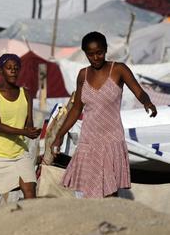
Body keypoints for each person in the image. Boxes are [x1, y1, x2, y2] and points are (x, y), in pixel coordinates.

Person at [53, 32, 157, 198]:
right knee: (87, 190)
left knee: (110, 192)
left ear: (106, 50)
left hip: (111, 139)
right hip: (89, 140)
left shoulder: (119, 69)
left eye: (99, 52)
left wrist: (147, 102)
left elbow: (139, 91)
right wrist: (59, 136)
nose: (96, 57)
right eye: (91, 54)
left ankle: (111, 222)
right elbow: (76, 108)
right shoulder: (83, 75)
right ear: (85, 53)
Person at [0, 54, 42, 214]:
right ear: (1, 71)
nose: (13, 72)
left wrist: (33, 131)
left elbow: (28, 123)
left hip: (19, 153)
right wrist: (24, 132)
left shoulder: (26, 94)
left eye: (16, 68)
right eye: (9, 68)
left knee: (30, 189)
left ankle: (29, 227)